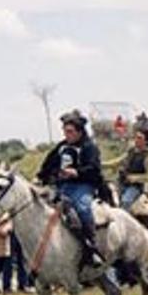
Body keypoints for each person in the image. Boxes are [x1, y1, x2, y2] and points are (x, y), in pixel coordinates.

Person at [37, 110, 106, 268]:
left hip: (83, 186)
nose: (67, 134)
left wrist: (76, 172)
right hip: (61, 186)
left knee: (81, 208)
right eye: (65, 131)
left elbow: (95, 169)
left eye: (70, 131)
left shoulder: (90, 147)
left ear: (80, 132)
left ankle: (91, 248)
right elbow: (47, 165)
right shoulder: (61, 147)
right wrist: (42, 176)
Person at [103, 128, 148, 212]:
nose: (136, 139)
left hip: (135, 187)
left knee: (125, 202)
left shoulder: (147, 157)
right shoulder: (131, 151)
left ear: (146, 142)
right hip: (121, 183)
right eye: (136, 137)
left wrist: (134, 178)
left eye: (139, 138)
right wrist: (100, 164)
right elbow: (117, 162)